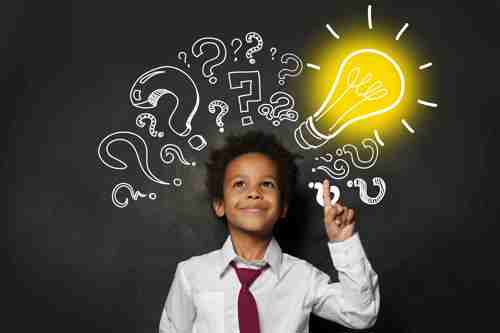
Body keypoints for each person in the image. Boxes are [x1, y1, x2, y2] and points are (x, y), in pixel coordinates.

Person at [159, 130, 379, 333]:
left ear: (282, 207)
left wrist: (344, 243)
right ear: (220, 205)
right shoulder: (191, 275)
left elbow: (360, 314)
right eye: (239, 184)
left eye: (266, 184)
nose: (253, 192)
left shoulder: (303, 278)